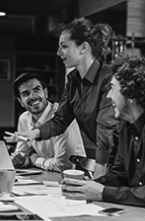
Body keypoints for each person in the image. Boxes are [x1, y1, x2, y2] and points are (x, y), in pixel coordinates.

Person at [19, 18, 119, 178]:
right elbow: (61, 119)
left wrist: (100, 174)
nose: (58, 53)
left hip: (119, 160)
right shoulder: (73, 79)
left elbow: (105, 130)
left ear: (83, 48)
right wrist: (35, 133)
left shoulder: (107, 78)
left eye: (64, 46)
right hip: (104, 159)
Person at [62, 55, 145, 207]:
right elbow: (119, 175)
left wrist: (103, 192)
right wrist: (93, 185)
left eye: (112, 89)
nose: (109, 96)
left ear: (130, 93)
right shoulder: (125, 126)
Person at [6, 72, 85, 172]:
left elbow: (64, 165)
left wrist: (35, 160)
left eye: (36, 90)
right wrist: (21, 160)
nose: (33, 96)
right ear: (21, 101)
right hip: (45, 176)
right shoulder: (24, 119)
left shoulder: (62, 118)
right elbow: (22, 154)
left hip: (75, 178)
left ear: (46, 93)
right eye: (25, 94)